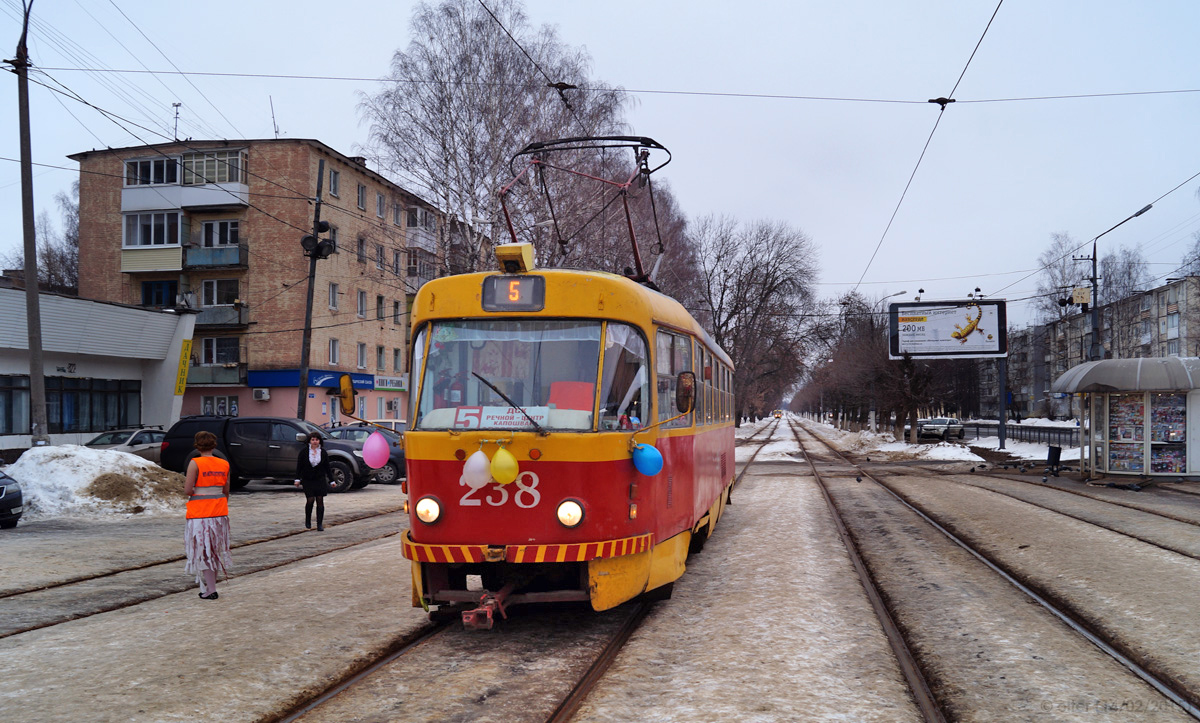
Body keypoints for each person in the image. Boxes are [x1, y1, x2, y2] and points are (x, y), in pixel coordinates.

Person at [184, 430, 231, 600]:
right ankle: (212, 587)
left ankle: (211, 589)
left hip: (200, 514)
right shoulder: (224, 464)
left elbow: (187, 489)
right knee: (214, 551)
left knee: (203, 552)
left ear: (197, 445)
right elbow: (226, 489)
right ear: (214, 445)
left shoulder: (195, 463)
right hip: (219, 513)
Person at [294, 432, 331, 531]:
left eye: (317, 440)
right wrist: (297, 479)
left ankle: (319, 524)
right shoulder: (304, 452)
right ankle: (308, 520)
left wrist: (331, 480)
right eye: (313, 440)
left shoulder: (323, 452)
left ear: (320, 441)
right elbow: (299, 467)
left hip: (320, 479)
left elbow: (327, 467)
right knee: (310, 500)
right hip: (308, 479)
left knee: (320, 500)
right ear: (309, 441)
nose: (315, 442)